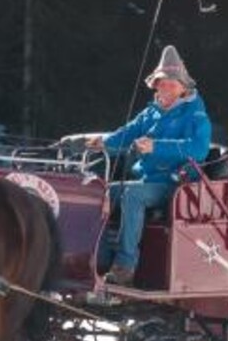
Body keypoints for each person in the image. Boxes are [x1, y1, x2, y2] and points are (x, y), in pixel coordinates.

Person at [85, 45, 212, 286]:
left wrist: (156, 147)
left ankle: (125, 266)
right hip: (146, 180)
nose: (165, 89)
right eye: (162, 84)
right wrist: (104, 142)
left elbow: (198, 149)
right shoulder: (151, 113)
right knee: (100, 191)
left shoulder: (196, 116)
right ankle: (96, 257)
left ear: (183, 88)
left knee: (132, 195)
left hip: (175, 185)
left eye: (171, 85)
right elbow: (129, 132)